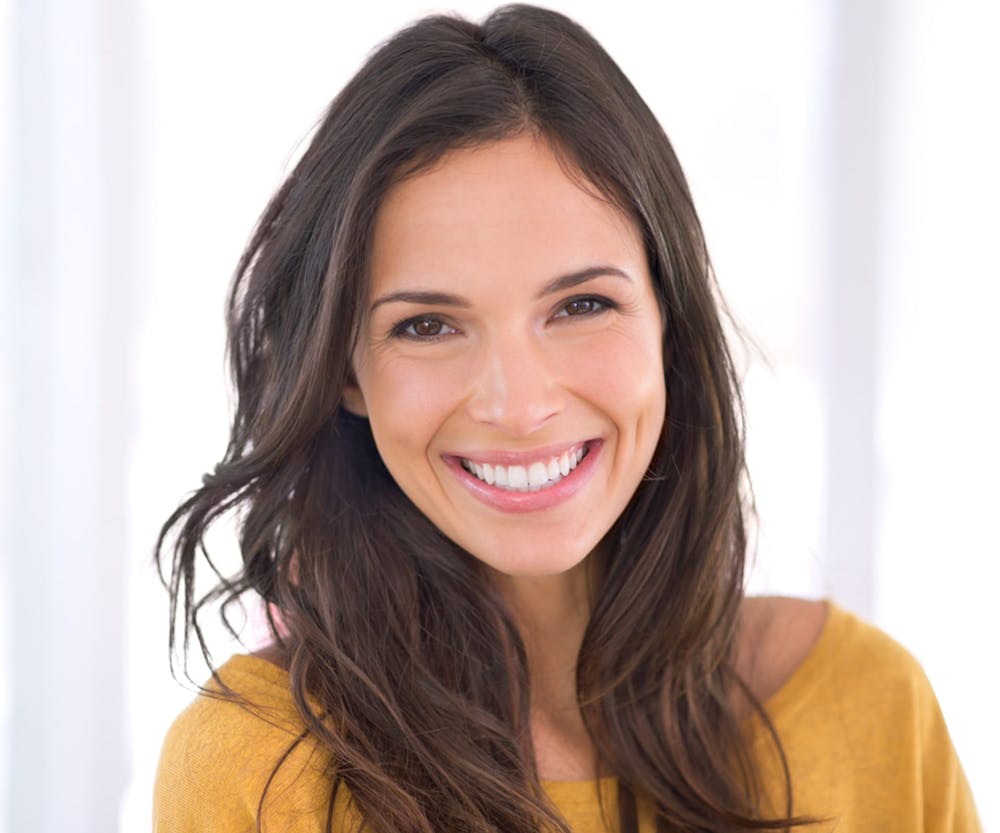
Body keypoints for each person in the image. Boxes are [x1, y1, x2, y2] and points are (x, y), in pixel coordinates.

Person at [153, 5, 980, 832]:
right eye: (428, 325)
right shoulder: (255, 771)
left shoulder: (871, 709)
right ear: (345, 371)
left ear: (669, 320)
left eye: (582, 304)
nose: (518, 406)